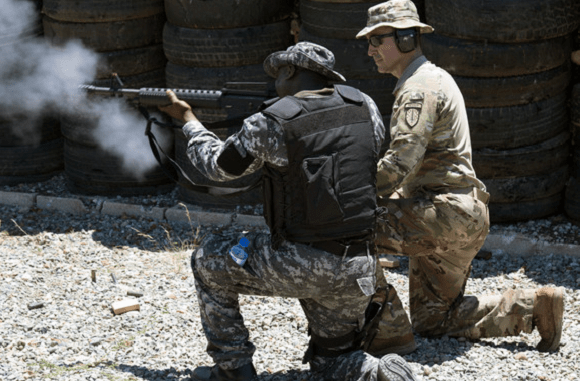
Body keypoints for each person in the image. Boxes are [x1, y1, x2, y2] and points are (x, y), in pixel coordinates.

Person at [159, 42, 420, 381]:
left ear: (291, 71)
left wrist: (189, 120)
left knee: (207, 259)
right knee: (331, 363)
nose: (276, 83)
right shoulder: (365, 106)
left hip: (304, 261)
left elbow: (217, 167)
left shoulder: (272, 122)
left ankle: (233, 369)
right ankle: (379, 374)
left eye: (279, 74)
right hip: (359, 266)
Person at [356, 0, 565, 352]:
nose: (369, 50)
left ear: (406, 38)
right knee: (435, 320)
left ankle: (384, 328)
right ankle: (536, 307)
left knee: (343, 228)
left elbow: (399, 164)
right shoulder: (431, 78)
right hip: (460, 216)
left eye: (377, 40)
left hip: (444, 214)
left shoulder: (418, 88)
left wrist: (346, 194)